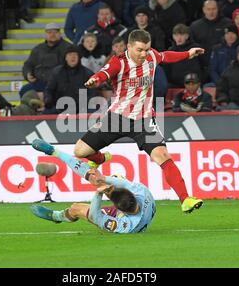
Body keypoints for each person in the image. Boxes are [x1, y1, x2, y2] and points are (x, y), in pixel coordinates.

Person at [76, 29, 204, 213]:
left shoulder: (151, 56)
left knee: (163, 156)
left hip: (143, 120)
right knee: (80, 150)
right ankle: (101, 158)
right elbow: (103, 74)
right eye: (139, 50)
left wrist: (188, 53)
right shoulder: (118, 62)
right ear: (128, 47)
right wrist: (94, 80)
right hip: (117, 118)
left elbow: (165, 56)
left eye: (147, 49)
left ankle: (186, 199)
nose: (144, 54)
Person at [31, 139, 158, 233]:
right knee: (104, 179)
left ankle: (55, 216)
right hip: (138, 212)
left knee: (76, 208)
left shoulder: (126, 226)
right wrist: (102, 179)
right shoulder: (142, 192)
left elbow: (95, 216)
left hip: (131, 222)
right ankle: (55, 152)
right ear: (133, 196)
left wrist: (98, 193)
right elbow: (125, 183)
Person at [43, 45, 99, 114]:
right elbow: (49, 90)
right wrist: (48, 100)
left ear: (79, 57)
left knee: (92, 111)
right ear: (65, 57)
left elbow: (92, 93)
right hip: (60, 107)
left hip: (82, 108)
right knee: (47, 112)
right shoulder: (57, 72)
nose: (73, 57)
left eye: (75, 55)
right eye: (70, 55)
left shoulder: (88, 73)